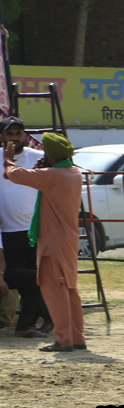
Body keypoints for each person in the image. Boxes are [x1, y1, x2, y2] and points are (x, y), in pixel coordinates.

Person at [3, 132, 84, 352]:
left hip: (52, 242)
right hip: (68, 241)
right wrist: (42, 168)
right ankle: (77, 337)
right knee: (70, 289)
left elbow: (15, 174)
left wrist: (8, 159)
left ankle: (64, 339)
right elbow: (36, 177)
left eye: (46, 153)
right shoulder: (74, 173)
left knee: (54, 291)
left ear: (52, 156)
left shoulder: (53, 176)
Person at [0, 116, 50, 337]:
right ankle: (33, 321)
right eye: (9, 134)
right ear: (2, 137)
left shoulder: (37, 157)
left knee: (37, 279)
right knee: (21, 280)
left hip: (34, 231)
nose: (15, 138)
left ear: (24, 136)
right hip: (6, 232)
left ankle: (37, 321)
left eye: (18, 133)